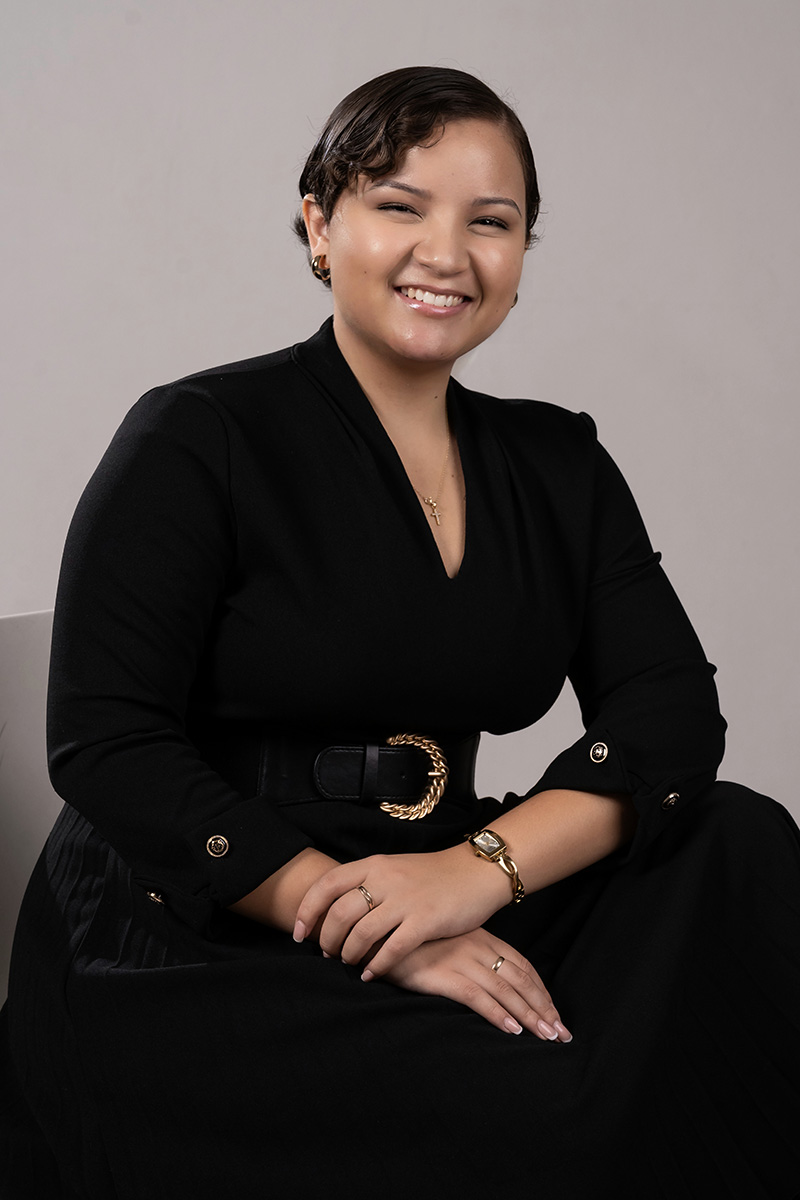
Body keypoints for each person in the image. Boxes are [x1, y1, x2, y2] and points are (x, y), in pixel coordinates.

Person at [2, 65, 798, 1200]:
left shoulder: (557, 462)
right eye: (399, 206)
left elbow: (670, 714)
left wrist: (471, 877)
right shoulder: (197, 433)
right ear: (319, 225)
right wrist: (376, 921)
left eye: (491, 221)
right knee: (537, 1111)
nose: (448, 253)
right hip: (209, 921)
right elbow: (104, 741)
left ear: (522, 252)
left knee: (740, 846)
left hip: (445, 861)